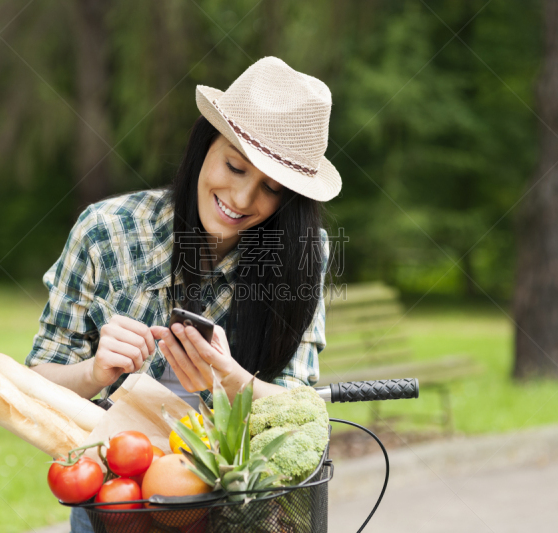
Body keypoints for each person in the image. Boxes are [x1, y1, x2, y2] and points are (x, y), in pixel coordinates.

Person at [25, 56, 342, 532]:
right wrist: (94, 372)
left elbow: (294, 405)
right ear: (203, 145)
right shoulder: (106, 232)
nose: (240, 200)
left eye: (270, 189)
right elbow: (38, 384)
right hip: (118, 502)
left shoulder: (300, 254)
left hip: (237, 509)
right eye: (234, 166)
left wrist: (229, 381)